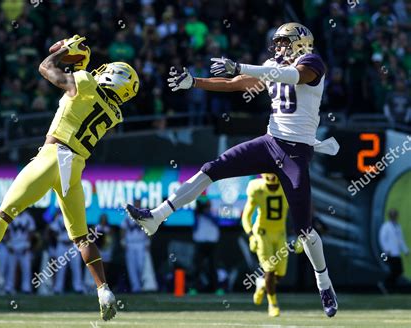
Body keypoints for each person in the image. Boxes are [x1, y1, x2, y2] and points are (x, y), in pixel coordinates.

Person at [126, 23, 339, 317]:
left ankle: (324, 283)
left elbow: (292, 76)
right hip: (270, 141)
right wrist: (195, 82)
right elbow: (237, 84)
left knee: (304, 230)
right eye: (276, 43)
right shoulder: (271, 65)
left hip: (296, 152)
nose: (278, 48)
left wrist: (241, 65)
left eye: (283, 42)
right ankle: (157, 217)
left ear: (301, 43)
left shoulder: (312, 63)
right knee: (212, 168)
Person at [0, 34, 139, 321]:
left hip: (53, 156)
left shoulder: (87, 82)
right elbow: (78, 99)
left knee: (4, 213)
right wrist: (77, 65)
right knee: (80, 236)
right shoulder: (114, 112)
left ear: (112, 77)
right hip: (75, 166)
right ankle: (104, 290)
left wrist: (64, 51)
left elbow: (45, 67)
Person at [241, 174, 302, 317]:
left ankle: (262, 283)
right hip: (263, 234)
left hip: (280, 234)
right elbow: (246, 216)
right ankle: (272, 304)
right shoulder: (257, 188)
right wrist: (251, 236)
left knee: (280, 274)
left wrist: (301, 235)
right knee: (269, 269)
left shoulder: (287, 187)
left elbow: (298, 214)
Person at [49, 211, 84, 294]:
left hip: (73, 245)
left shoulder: (74, 216)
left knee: (76, 267)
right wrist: (57, 238)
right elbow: (52, 230)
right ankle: (58, 288)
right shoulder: (58, 217)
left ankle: (78, 287)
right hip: (62, 244)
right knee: (60, 267)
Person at [120, 201, 150, 293]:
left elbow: (149, 228)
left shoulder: (144, 216)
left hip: (141, 243)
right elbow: (123, 229)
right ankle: (135, 287)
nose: (137, 206)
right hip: (130, 244)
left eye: (138, 204)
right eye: (136, 204)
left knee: (141, 265)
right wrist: (123, 242)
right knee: (131, 266)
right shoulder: (127, 218)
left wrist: (148, 242)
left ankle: (140, 284)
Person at [192, 198, 220, 293]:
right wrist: (197, 214)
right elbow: (195, 227)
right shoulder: (198, 214)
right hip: (200, 243)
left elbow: (217, 221)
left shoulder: (213, 213)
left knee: (213, 266)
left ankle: (216, 289)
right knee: (197, 267)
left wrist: (206, 213)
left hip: (212, 243)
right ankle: (195, 288)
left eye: (207, 205)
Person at [379, 209, 409, 292]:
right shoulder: (386, 226)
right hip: (390, 252)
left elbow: (401, 240)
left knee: (399, 270)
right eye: (393, 215)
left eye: (395, 215)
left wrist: (405, 250)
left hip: (396, 252)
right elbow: (382, 238)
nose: (394, 216)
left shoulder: (398, 226)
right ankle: (385, 284)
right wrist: (386, 249)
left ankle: (390, 286)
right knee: (395, 270)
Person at [5, 210, 35, 294]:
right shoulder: (11, 216)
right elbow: (6, 231)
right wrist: (8, 244)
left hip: (24, 246)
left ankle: (26, 288)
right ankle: (9, 287)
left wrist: (28, 245)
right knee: (10, 268)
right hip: (12, 246)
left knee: (26, 268)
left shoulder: (28, 218)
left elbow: (31, 233)